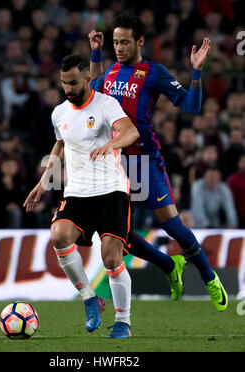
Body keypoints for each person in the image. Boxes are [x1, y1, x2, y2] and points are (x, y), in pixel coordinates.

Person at [88, 13, 228, 311]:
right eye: (115, 42)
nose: (119, 47)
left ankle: (209, 277)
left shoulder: (154, 72)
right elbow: (91, 92)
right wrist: (96, 53)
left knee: (173, 226)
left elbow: (191, 106)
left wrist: (197, 72)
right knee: (119, 233)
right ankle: (168, 265)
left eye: (125, 42)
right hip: (115, 164)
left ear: (140, 41)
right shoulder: (110, 71)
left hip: (144, 161)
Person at [24, 55, 140, 338]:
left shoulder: (106, 104)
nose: (68, 88)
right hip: (77, 192)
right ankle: (90, 298)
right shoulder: (59, 113)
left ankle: (123, 321)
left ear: (87, 79)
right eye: (63, 83)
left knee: (111, 258)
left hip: (111, 190)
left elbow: (131, 132)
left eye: (73, 82)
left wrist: (110, 143)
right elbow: (60, 145)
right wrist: (44, 182)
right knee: (59, 236)